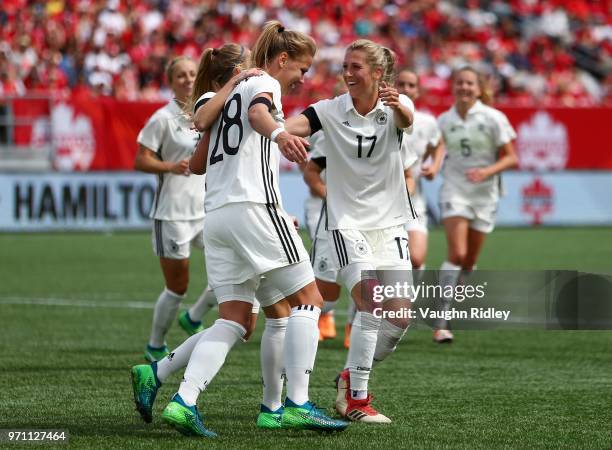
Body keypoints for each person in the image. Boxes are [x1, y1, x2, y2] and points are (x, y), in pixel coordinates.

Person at [157, 22, 348, 437]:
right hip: (253, 207)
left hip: (218, 215)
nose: (303, 77)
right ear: (282, 60)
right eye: (302, 68)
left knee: (233, 319)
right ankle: (296, 403)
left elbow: (199, 162)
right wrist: (279, 134)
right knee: (309, 300)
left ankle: (184, 400)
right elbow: (260, 113)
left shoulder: (227, 91)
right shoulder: (264, 82)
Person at [286, 39, 416, 423]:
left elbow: (408, 118)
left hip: (390, 223)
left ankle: (349, 375)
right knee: (371, 304)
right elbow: (295, 124)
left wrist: (399, 105)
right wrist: (272, 129)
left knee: (400, 319)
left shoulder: (396, 110)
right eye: (345, 66)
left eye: (356, 66)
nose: (347, 73)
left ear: (378, 73)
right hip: (345, 224)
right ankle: (356, 398)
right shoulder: (328, 110)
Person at [435, 66, 518, 343]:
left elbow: (511, 157)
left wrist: (487, 171)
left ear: (479, 88)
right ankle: (441, 321)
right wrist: (432, 166)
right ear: (453, 86)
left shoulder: (494, 118)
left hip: (485, 194)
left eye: (470, 83)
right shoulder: (444, 120)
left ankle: (452, 300)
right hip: (455, 189)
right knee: (456, 254)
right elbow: (436, 150)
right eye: (460, 83)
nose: (464, 88)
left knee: (469, 262)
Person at [134, 56, 209, 362]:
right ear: (171, 81)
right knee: (177, 286)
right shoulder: (162, 118)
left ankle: (194, 316)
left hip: (207, 211)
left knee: (237, 268)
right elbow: (140, 160)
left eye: (193, 74)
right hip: (173, 214)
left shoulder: (206, 112)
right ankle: (155, 343)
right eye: (181, 76)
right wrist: (169, 166)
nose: (188, 79)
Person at [303, 133, 355, 349]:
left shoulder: (388, 127)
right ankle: (285, 315)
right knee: (326, 300)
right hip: (332, 220)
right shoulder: (333, 128)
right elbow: (311, 171)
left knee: (368, 282)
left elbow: (406, 174)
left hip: (372, 222)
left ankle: (354, 329)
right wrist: (329, 195)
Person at [395, 69, 444, 271]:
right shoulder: (379, 117)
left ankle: (408, 299)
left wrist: (434, 166)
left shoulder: (427, 122)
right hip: (380, 202)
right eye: (401, 84)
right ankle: (364, 303)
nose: (406, 89)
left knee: (415, 259)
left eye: (411, 85)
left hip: (414, 203)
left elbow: (439, 144)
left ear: (418, 91)